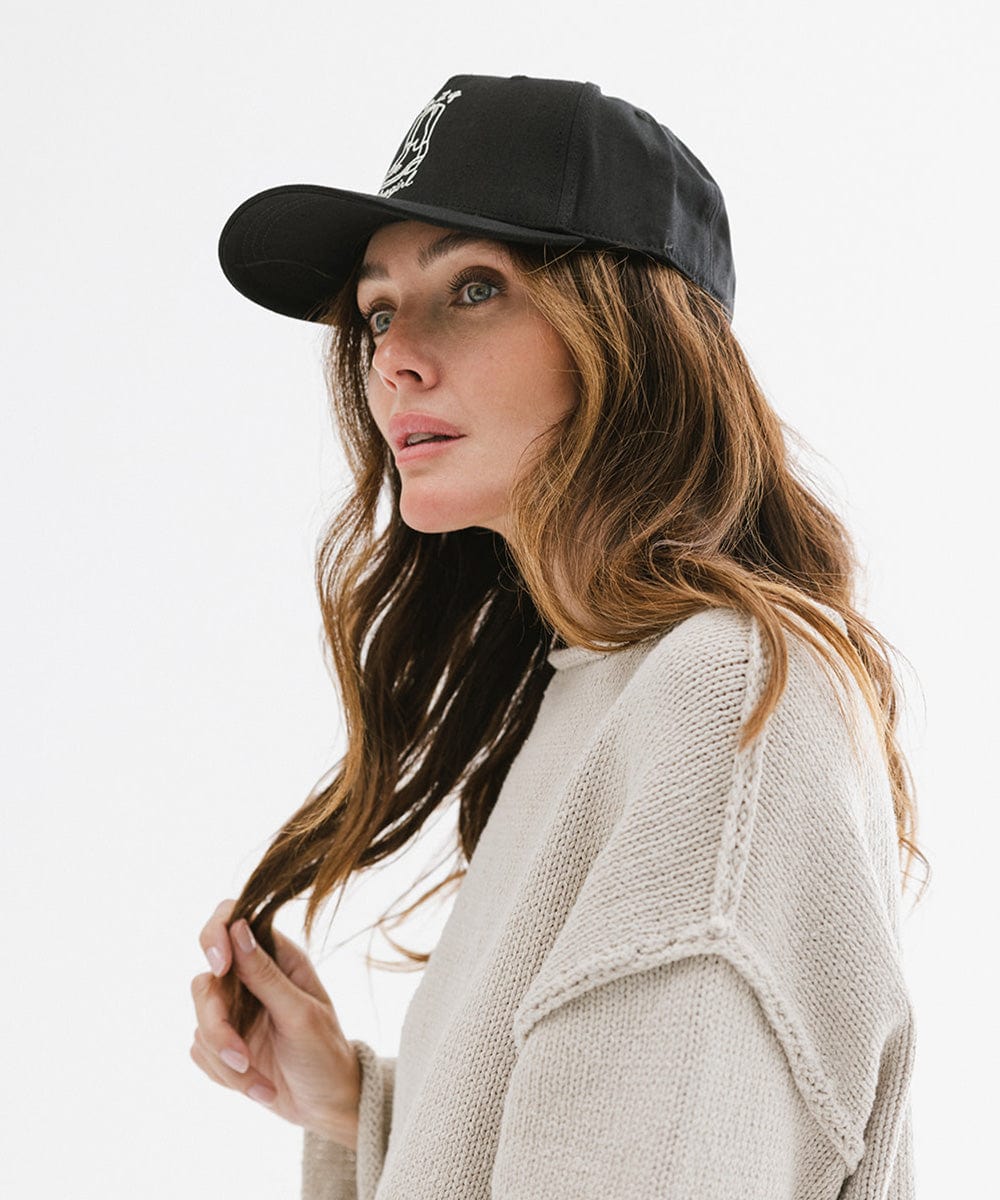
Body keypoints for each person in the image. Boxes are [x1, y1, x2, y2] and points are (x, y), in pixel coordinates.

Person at [192, 73, 926, 1199]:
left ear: (633, 335)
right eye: (381, 308)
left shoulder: (723, 695)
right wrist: (357, 1107)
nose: (393, 356)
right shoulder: (596, 684)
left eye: (474, 287)